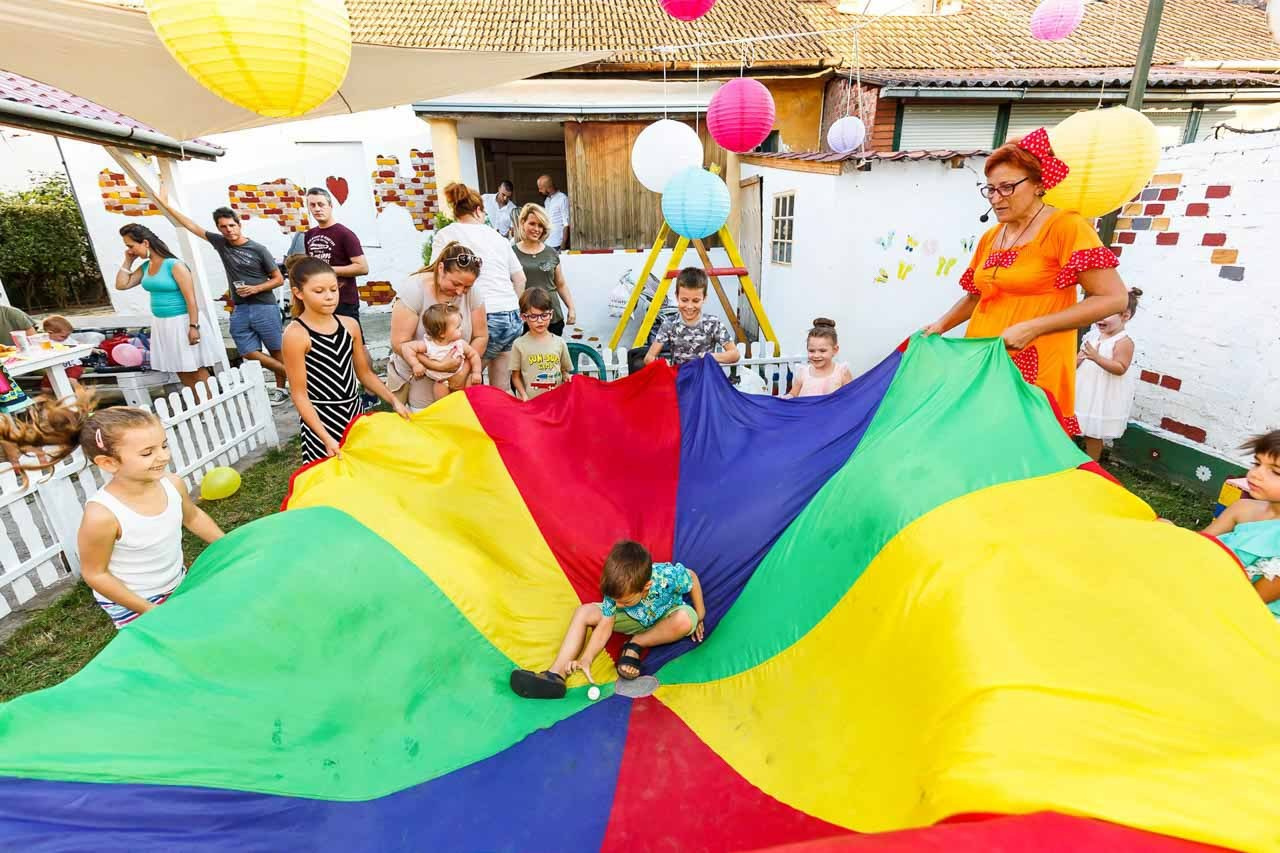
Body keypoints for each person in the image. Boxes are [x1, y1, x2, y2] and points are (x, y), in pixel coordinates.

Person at [922, 129, 1128, 436]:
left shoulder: (1066, 227)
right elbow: (977, 296)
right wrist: (940, 325)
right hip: (986, 353)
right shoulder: (992, 237)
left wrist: (1033, 327)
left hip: (1035, 356)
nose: (996, 198)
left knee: (1019, 445)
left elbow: (1113, 299)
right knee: (977, 439)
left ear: (1039, 185)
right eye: (990, 189)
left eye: (1007, 187)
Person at [0, 392, 224, 628]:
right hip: (133, 602)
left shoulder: (172, 484)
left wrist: (230, 543)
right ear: (109, 463)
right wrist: (150, 610)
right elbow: (95, 573)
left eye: (164, 445)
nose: (163, 456)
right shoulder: (103, 515)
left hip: (177, 580)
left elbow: (193, 517)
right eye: (147, 452)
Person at [509, 540, 705, 698]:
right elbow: (606, 624)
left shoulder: (667, 577)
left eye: (624, 601)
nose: (616, 605)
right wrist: (586, 658)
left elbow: (693, 578)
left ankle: (636, 643)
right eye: (615, 600)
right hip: (634, 617)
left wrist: (701, 615)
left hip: (665, 617)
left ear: (646, 586)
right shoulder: (617, 590)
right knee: (584, 612)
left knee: (687, 619)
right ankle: (555, 675)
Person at [152, 192, 289, 404]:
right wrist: (164, 203)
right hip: (241, 307)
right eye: (223, 227)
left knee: (276, 349)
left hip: (264, 305)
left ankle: (281, 389)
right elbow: (191, 226)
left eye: (232, 226)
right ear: (219, 228)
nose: (229, 230)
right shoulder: (220, 243)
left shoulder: (258, 249)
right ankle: (298, 376)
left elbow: (279, 279)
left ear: (239, 224)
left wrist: (256, 288)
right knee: (248, 352)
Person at [281, 256, 408, 464]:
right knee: (328, 480)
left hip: (354, 412)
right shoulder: (296, 334)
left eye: (333, 289)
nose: (329, 297)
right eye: (319, 291)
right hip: (321, 418)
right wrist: (325, 438)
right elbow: (299, 395)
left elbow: (365, 373)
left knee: (361, 471)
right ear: (298, 293)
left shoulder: (350, 325)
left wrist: (393, 399)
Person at [430, 183, 527, 393]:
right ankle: (500, 424)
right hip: (511, 317)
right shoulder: (498, 237)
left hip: (484, 317)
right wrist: (513, 307)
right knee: (501, 387)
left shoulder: (447, 234)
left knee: (461, 383)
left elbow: (435, 274)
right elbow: (520, 279)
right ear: (478, 210)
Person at [115, 224, 222, 390]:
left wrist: (193, 326)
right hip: (162, 324)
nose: (130, 251)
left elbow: (191, 299)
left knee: (195, 368)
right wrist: (127, 261)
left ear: (145, 243)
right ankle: (200, 408)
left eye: (131, 246)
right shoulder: (145, 267)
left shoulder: (174, 265)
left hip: (182, 321)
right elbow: (122, 285)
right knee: (180, 369)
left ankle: (213, 406)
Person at [387, 242, 488, 411]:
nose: (460, 292)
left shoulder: (473, 293)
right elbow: (399, 343)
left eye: (467, 287)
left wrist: (462, 372)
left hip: (460, 376)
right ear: (441, 268)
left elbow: (481, 336)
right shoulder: (414, 290)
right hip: (418, 376)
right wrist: (438, 367)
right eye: (455, 284)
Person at [1203, 431, 1280, 618]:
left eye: (1276, 471)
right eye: (1257, 463)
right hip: (1209, 591)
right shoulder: (1242, 508)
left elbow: (1251, 602)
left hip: (1252, 617)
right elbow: (1198, 545)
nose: (1255, 474)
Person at [1076, 288, 1143, 461]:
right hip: (1084, 389)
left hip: (1103, 393)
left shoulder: (1123, 342)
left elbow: (1120, 367)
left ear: (1125, 316)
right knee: (1072, 423)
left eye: (1106, 313)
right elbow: (1078, 359)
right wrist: (1077, 361)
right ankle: (1067, 458)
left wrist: (1097, 358)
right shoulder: (1092, 337)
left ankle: (1092, 464)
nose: (1100, 318)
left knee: (1093, 432)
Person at [643, 267, 741, 368]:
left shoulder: (713, 323)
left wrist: (710, 357)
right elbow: (648, 358)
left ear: (704, 298)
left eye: (695, 301)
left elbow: (735, 354)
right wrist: (662, 364)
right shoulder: (669, 324)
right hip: (680, 377)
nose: (689, 306)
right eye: (684, 300)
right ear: (677, 297)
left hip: (704, 378)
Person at [303, 188, 368, 325]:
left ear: (330, 206)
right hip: (319, 299)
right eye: (312, 205)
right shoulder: (309, 235)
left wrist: (327, 270)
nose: (317, 209)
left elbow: (362, 268)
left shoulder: (344, 234)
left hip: (343, 299)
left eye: (321, 204)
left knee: (353, 340)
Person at [513, 203, 576, 336]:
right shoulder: (511, 253)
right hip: (524, 319)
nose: (537, 229)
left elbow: (560, 284)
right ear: (522, 222)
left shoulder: (551, 253)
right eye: (532, 223)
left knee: (552, 356)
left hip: (551, 318)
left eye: (540, 225)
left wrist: (571, 308)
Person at [399, 303, 482, 400]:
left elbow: (473, 355)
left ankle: (469, 404)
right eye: (457, 327)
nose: (461, 329)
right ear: (442, 333)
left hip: (463, 375)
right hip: (442, 381)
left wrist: (477, 372)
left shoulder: (460, 344)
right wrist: (415, 364)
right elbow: (406, 347)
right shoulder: (428, 345)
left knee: (472, 384)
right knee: (440, 392)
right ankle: (445, 409)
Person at [511, 288, 572, 401]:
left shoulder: (559, 343)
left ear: (551, 314)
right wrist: (523, 395)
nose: (540, 321)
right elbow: (515, 377)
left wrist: (566, 376)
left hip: (555, 403)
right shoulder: (519, 344)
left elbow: (564, 370)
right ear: (524, 317)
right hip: (530, 404)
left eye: (544, 315)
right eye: (533, 316)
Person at [786, 318, 853, 397]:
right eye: (811, 351)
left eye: (822, 351)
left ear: (835, 350)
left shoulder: (842, 372)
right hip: (806, 409)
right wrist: (786, 397)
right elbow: (793, 394)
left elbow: (850, 398)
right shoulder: (802, 373)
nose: (816, 355)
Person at [40, 315, 102, 392]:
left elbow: (79, 345)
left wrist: (92, 349)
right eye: (63, 336)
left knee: (71, 380)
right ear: (49, 333)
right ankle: (56, 401)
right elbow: (41, 351)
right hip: (54, 368)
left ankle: (83, 395)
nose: (66, 338)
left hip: (73, 365)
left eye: (68, 336)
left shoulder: (67, 340)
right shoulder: (44, 341)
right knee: (45, 388)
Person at [537, 174, 570, 250]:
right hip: (548, 243)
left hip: (558, 243)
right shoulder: (547, 201)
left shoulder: (562, 198)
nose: (539, 191)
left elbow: (566, 224)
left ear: (548, 188)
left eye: (541, 188)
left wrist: (563, 244)